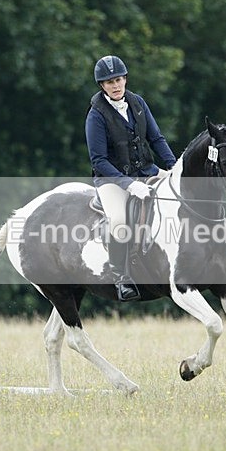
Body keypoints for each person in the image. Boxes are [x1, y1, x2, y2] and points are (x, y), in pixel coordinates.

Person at [85, 55, 177, 301]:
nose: (115, 86)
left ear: (125, 79)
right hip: (111, 180)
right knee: (119, 220)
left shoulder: (137, 103)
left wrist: (173, 166)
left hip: (147, 171)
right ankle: (121, 277)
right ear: (102, 86)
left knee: (178, 196)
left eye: (118, 80)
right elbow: (99, 161)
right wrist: (129, 185)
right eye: (109, 82)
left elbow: (156, 139)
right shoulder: (96, 115)